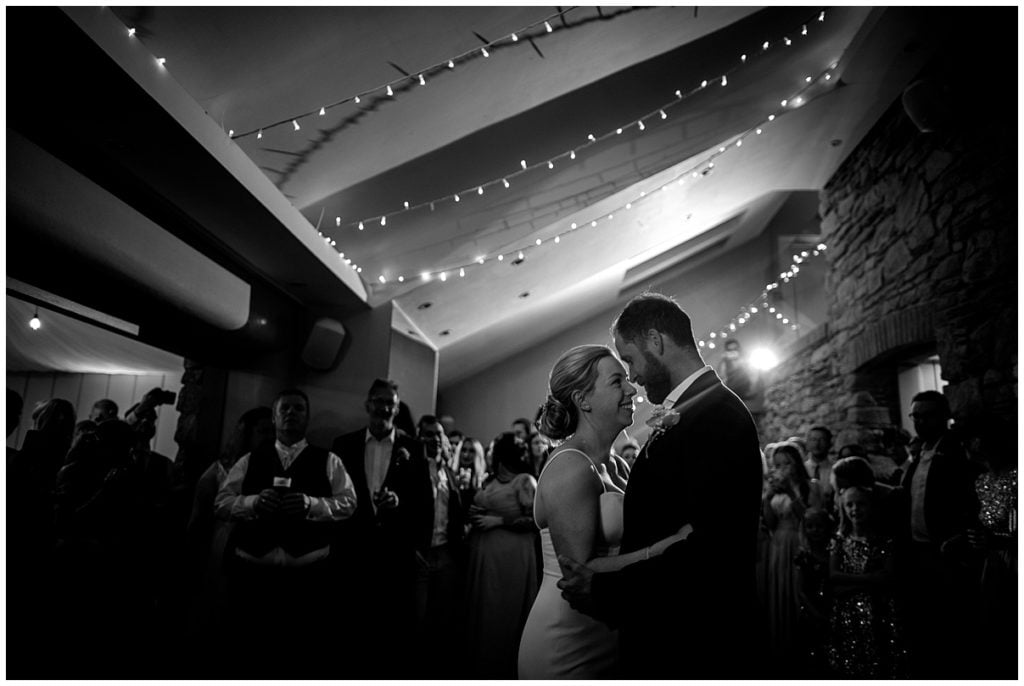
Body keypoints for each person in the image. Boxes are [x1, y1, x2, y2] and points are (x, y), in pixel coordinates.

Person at [557, 292, 763, 678]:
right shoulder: (695, 408)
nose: (632, 377)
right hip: (668, 631)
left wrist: (606, 590)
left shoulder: (717, 416)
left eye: (630, 360)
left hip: (695, 642)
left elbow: (710, 551)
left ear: (656, 341)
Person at [518, 345, 692, 679]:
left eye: (627, 380)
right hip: (567, 640)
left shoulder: (616, 463)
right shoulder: (570, 467)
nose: (632, 389)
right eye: (617, 382)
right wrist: (668, 549)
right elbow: (580, 570)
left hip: (609, 628)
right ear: (583, 400)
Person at [215, 389, 357, 675]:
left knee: (300, 657)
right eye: (285, 409)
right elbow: (221, 503)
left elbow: (349, 503)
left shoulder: (329, 460)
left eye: (298, 408)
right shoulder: (250, 459)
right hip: (253, 576)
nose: (291, 413)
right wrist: (253, 502)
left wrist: (312, 505)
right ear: (274, 416)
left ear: (307, 416)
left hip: (307, 579)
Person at [330, 379, 433, 678]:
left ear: (397, 408)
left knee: (392, 635)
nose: (384, 407)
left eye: (391, 403)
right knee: (351, 630)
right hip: (353, 552)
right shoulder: (343, 445)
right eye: (379, 400)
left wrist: (400, 507)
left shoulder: (413, 448)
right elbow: (335, 497)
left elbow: (425, 504)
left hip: (395, 556)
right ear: (367, 404)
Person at [898, 390, 979, 678]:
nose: (919, 421)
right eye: (915, 416)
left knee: (952, 623)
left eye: (926, 415)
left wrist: (960, 536)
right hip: (918, 551)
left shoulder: (958, 451)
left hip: (947, 551)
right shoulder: (919, 452)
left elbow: (972, 499)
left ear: (945, 416)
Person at [184, 406, 273, 654]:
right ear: (247, 434)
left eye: (273, 432)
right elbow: (197, 522)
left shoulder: (276, 471)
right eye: (263, 431)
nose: (270, 438)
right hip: (223, 548)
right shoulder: (219, 473)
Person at [463, 433, 539, 678]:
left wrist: (499, 520)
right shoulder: (490, 480)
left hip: (510, 558)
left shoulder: (524, 481)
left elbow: (535, 521)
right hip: (484, 557)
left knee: (502, 612)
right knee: (483, 613)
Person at [826, 486, 907, 678]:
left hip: (878, 609)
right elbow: (834, 575)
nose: (855, 509)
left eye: (860, 504)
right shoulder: (839, 540)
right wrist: (870, 579)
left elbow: (887, 576)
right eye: (849, 505)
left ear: (871, 506)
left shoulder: (883, 541)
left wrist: (851, 584)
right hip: (848, 610)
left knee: (878, 655)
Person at [413, 414, 468, 678]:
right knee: (418, 620)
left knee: (443, 619)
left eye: (437, 434)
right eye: (428, 434)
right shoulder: (411, 468)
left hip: (446, 553)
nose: (433, 439)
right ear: (418, 437)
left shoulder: (448, 471)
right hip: (420, 554)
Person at [763, 441, 821, 667]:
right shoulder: (773, 489)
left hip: (799, 541)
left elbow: (810, 520)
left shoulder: (811, 486)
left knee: (799, 590)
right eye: (777, 464)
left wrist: (789, 491)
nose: (782, 468)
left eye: (787, 463)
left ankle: (804, 647)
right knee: (780, 591)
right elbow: (770, 523)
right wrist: (768, 498)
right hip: (778, 542)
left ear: (797, 463)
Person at [451, 437, 487, 504]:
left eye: (471, 451)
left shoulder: (484, 479)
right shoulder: (450, 476)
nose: (466, 455)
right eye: (463, 450)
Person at [804, 425, 834, 503]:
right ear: (807, 443)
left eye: (822, 440)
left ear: (829, 443)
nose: (817, 444)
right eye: (813, 440)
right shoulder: (802, 469)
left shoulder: (834, 469)